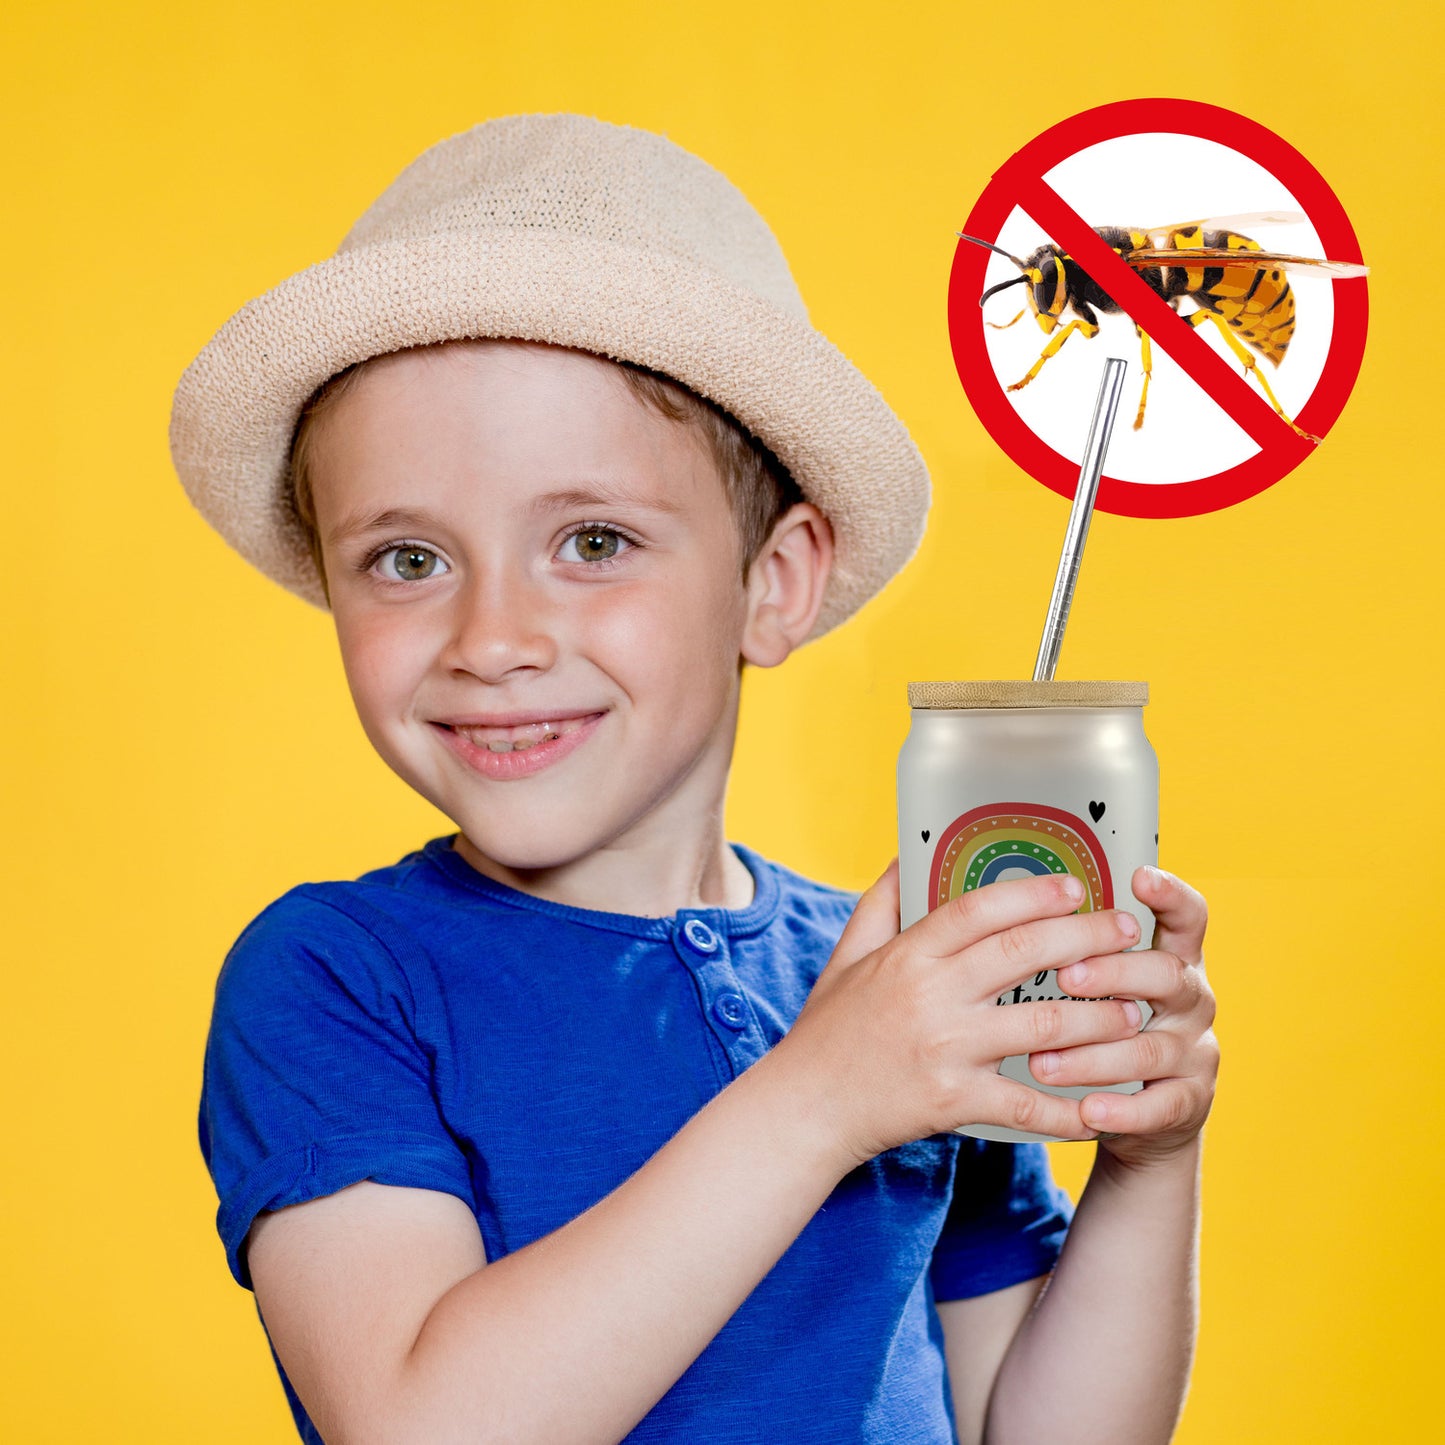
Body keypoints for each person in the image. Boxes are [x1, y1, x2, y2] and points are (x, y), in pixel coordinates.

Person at [174, 114, 1218, 1445]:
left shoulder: (884, 985)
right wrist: (827, 1093)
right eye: (407, 559)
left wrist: (1145, 1156)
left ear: (769, 584)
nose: (492, 639)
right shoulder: (335, 975)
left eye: (592, 538)